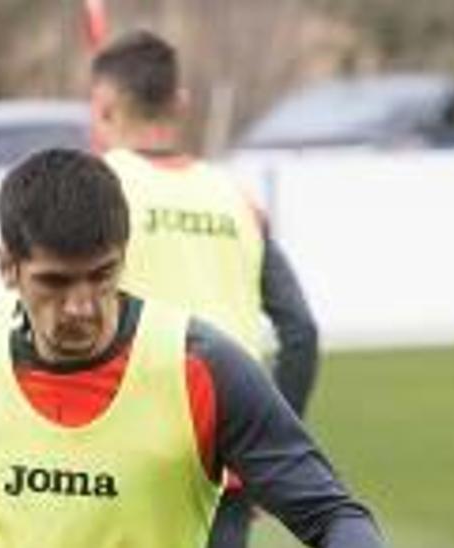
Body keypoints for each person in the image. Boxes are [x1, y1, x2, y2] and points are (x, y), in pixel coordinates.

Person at [0, 149, 383, 547]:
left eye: (101, 275)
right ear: (6, 266)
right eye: (54, 282)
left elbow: (333, 517)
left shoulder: (204, 368)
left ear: (124, 254)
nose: (81, 307)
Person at [90, 30, 321, 547]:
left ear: (103, 105)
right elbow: (300, 332)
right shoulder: (237, 200)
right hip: (228, 450)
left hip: (122, 452)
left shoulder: (96, 191)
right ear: (181, 103)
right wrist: (272, 450)